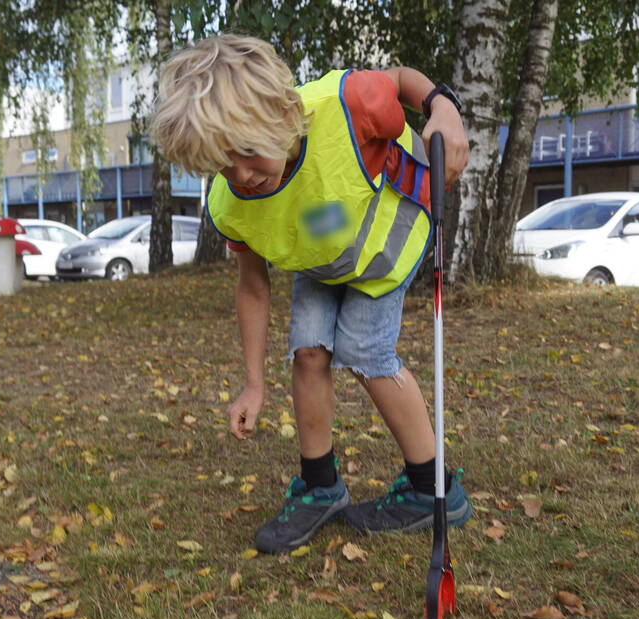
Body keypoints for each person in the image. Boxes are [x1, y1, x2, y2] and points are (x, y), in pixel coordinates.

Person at [152, 34, 472, 554]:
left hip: (387, 244)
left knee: (364, 351)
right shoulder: (232, 204)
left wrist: (445, 110)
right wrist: (253, 385)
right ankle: (321, 486)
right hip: (321, 255)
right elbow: (253, 288)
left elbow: (400, 80)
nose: (244, 177)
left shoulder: (349, 106)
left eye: (250, 154)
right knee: (307, 353)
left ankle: (433, 488)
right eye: (222, 165)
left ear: (283, 112)